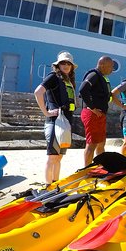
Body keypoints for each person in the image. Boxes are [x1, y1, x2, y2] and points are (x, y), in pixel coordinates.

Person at [34, 51, 77, 183]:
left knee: (59, 157)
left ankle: (55, 183)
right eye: (63, 63)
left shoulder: (68, 80)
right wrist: (46, 112)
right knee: (53, 157)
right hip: (55, 122)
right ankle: (48, 186)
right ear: (58, 65)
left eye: (68, 63)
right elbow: (38, 92)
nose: (66, 65)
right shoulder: (53, 76)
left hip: (65, 122)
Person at [79, 56, 113, 166]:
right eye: (111, 66)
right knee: (92, 144)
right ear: (102, 65)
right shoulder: (93, 75)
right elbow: (83, 89)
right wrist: (92, 108)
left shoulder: (101, 77)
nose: (112, 69)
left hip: (100, 115)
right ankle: (86, 170)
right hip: (92, 114)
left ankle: (101, 166)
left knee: (101, 143)